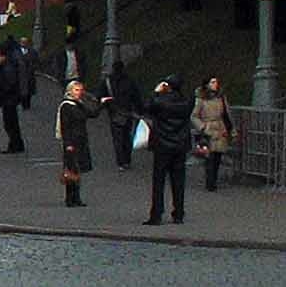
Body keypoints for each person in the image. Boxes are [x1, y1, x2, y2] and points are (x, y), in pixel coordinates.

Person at [141, 73, 195, 224]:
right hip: (180, 145)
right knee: (178, 181)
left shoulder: (160, 102)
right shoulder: (187, 102)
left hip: (162, 144)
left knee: (159, 181)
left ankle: (156, 214)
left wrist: (156, 92)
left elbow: (145, 107)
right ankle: (178, 213)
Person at [56, 80, 101, 207]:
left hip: (81, 141)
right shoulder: (66, 106)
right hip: (72, 142)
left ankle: (76, 197)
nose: (79, 93)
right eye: (76, 90)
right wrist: (68, 143)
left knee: (77, 169)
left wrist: (101, 104)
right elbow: (65, 126)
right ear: (69, 91)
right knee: (71, 170)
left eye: (80, 90)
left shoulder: (79, 104)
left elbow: (92, 114)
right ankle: (70, 198)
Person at [99, 58, 144, 170]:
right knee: (127, 137)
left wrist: (105, 106)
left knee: (117, 138)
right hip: (128, 112)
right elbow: (136, 97)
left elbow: (100, 96)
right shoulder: (129, 81)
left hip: (114, 112)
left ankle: (120, 162)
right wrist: (140, 111)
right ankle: (127, 160)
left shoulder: (107, 81)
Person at [193, 76, 233, 191]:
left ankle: (214, 179)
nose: (215, 84)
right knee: (209, 157)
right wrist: (202, 127)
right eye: (212, 82)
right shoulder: (201, 99)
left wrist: (231, 129)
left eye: (216, 82)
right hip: (208, 129)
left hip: (220, 129)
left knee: (217, 156)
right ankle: (210, 182)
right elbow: (194, 116)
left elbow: (226, 113)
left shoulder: (221, 97)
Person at [0, 39, 25, 152]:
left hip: (9, 99)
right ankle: (17, 143)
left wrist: (0, 92)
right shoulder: (7, 66)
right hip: (10, 99)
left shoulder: (7, 68)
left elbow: (8, 84)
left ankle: (14, 144)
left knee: (9, 123)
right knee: (12, 123)